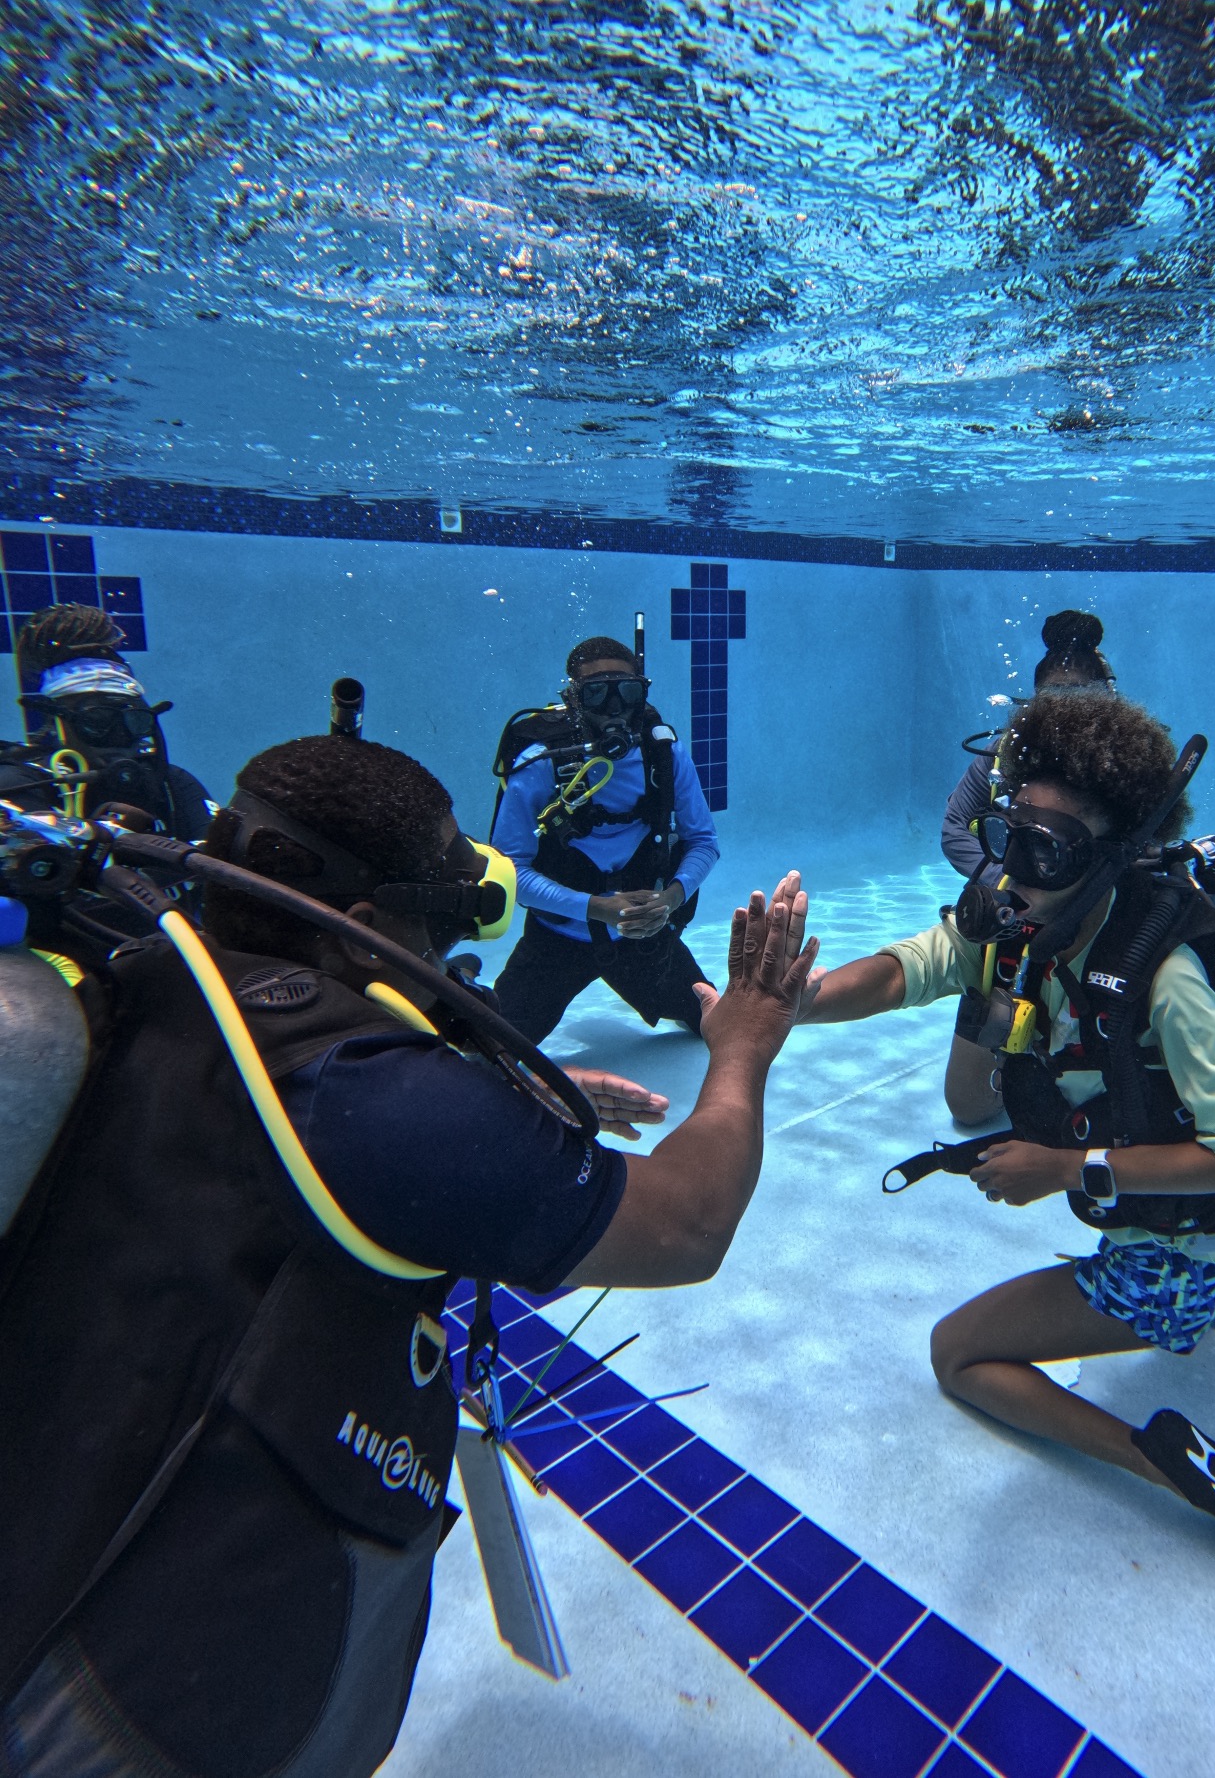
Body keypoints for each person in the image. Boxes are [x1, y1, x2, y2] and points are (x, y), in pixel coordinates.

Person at [0, 733, 815, 1778]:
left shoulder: (151, 981)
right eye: (444, 913)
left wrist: (494, 1093)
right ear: (367, 925)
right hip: (149, 1698)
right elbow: (688, 1222)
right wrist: (742, 1044)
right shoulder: (371, 1103)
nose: (450, 952)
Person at [790, 689, 1215, 1489]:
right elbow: (911, 967)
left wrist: (1066, 1168)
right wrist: (800, 1001)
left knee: (956, 1353)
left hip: (1163, 1262)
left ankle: (1167, 1466)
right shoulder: (1028, 921)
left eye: (1045, 851)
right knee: (1190, 1266)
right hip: (1183, 1239)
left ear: (1106, 857)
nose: (1009, 873)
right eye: (1004, 839)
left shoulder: (1163, 975)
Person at [492, 635, 719, 1043]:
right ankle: (469, 977)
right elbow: (509, 869)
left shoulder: (664, 755)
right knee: (491, 1047)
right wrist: (595, 908)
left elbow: (703, 840)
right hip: (557, 938)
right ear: (573, 698)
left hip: (645, 937)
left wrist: (670, 899)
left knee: (718, 1023)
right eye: (596, 693)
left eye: (627, 691)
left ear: (641, 692)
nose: (615, 707)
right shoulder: (540, 764)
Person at [940, 608, 1115, 1123]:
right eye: (1056, 702)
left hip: (1091, 933)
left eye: (1084, 700)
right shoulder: (1002, 755)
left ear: (1107, 698)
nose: (1069, 717)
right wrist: (1013, 883)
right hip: (1014, 926)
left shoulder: (1124, 762)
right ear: (1035, 703)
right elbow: (954, 829)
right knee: (967, 1107)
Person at [7, 603, 213, 840]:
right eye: (97, 721)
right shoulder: (21, 784)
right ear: (58, 722)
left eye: (133, 721)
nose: (120, 737)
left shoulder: (172, 785)